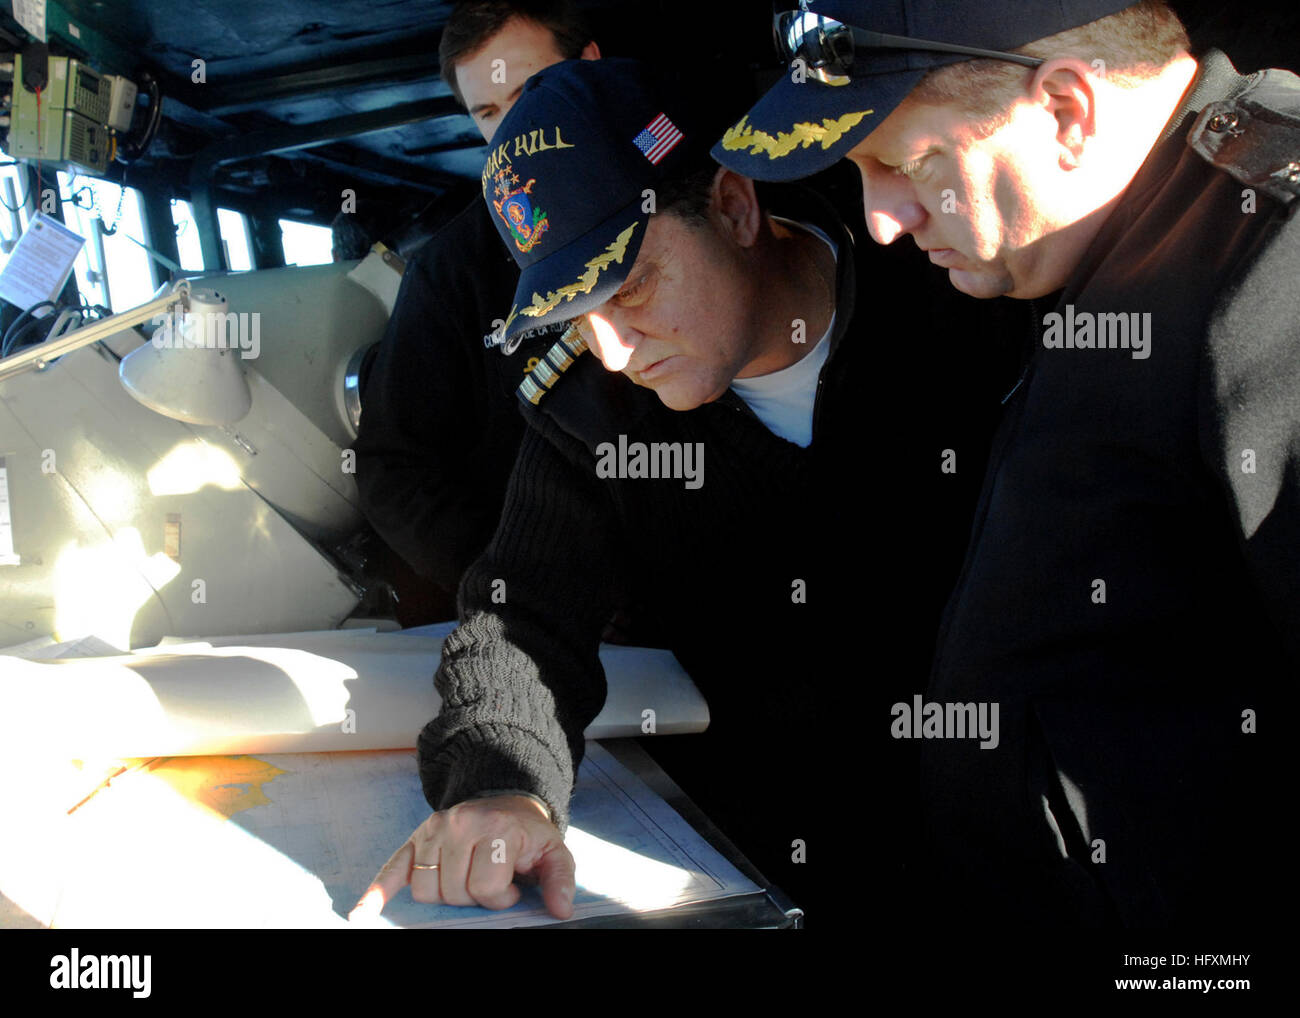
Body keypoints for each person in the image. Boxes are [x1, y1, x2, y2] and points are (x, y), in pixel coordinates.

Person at [350, 56, 1029, 925]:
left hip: (1023, 825)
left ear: (735, 206)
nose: (617, 352)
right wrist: (504, 785)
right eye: (573, 318)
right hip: (781, 848)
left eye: (630, 287)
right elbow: (523, 620)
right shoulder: (595, 412)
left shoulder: (956, 295)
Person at [713, 0, 1297, 927]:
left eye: (906, 164)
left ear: (1067, 113)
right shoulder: (1102, 241)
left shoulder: (1277, 259)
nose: (881, 223)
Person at [353, 1, 600, 601]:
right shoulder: (451, 269)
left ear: (592, 65)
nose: (515, 132)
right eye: (489, 113)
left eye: (531, 92)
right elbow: (392, 470)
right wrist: (521, 582)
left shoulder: (693, 197)